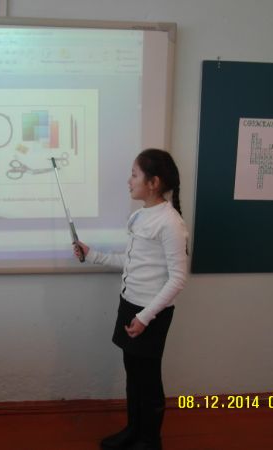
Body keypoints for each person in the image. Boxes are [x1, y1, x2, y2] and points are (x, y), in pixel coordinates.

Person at [74, 149, 188, 450]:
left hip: (150, 313)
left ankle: (150, 441)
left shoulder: (170, 223)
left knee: (148, 378)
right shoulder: (140, 216)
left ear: (153, 182)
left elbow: (178, 278)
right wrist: (92, 255)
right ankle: (134, 431)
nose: (129, 181)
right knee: (133, 374)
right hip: (130, 304)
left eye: (134, 175)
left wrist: (145, 317)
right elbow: (132, 262)